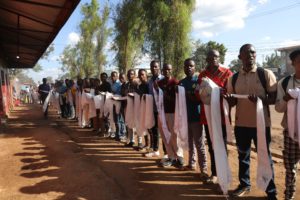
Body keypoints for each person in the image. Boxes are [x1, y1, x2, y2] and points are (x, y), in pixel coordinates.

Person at [225, 44, 277, 199]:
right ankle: (244, 184)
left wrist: (261, 100)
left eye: (253, 52)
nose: (251, 56)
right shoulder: (233, 78)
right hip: (241, 125)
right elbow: (233, 102)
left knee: (265, 158)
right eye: (247, 53)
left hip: (262, 125)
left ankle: (271, 191)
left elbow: (274, 99)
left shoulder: (265, 74)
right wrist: (229, 100)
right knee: (243, 156)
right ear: (240, 57)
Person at [197, 49, 232, 184]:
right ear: (207, 60)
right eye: (211, 58)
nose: (214, 60)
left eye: (216, 57)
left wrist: (220, 93)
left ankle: (224, 174)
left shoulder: (227, 73)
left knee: (221, 145)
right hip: (207, 116)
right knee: (211, 145)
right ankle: (215, 173)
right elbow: (199, 94)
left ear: (220, 58)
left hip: (222, 116)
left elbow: (231, 92)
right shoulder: (202, 75)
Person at [275, 49, 300, 200]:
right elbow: (278, 108)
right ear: (293, 63)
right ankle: (289, 195)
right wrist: (286, 98)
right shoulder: (284, 83)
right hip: (291, 132)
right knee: (290, 167)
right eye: (299, 62)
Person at [179, 58, 208, 177]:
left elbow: (201, 98)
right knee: (190, 143)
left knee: (199, 144)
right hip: (186, 117)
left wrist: (190, 95)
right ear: (184, 68)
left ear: (194, 67)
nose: (188, 68)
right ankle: (191, 164)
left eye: (191, 66)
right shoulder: (181, 83)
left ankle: (204, 169)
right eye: (186, 66)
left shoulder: (199, 81)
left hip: (197, 117)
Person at [156, 63, 183, 168]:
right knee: (165, 136)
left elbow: (178, 99)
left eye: (168, 69)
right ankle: (171, 157)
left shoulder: (176, 82)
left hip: (173, 113)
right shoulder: (159, 83)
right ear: (162, 71)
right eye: (165, 69)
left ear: (171, 70)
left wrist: (166, 95)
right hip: (162, 113)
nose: (166, 71)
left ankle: (179, 157)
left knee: (174, 136)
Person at [144, 61, 164, 158]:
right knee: (154, 130)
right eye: (152, 67)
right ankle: (156, 150)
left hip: (163, 110)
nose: (153, 68)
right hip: (153, 109)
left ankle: (167, 153)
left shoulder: (163, 79)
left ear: (159, 67)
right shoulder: (150, 81)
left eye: (155, 67)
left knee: (164, 131)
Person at [122, 69, 138, 147]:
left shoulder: (137, 84)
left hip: (135, 106)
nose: (129, 76)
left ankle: (140, 141)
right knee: (129, 124)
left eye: (131, 74)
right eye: (128, 74)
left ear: (134, 75)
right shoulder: (126, 84)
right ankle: (131, 140)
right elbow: (124, 94)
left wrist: (133, 95)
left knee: (136, 124)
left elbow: (139, 94)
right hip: (127, 106)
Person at [110, 71, 126, 141]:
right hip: (113, 102)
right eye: (112, 76)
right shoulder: (112, 84)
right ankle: (118, 133)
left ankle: (122, 134)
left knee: (120, 119)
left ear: (117, 77)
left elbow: (120, 93)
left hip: (119, 102)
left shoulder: (119, 84)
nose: (113, 77)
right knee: (116, 119)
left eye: (114, 76)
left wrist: (114, 93)